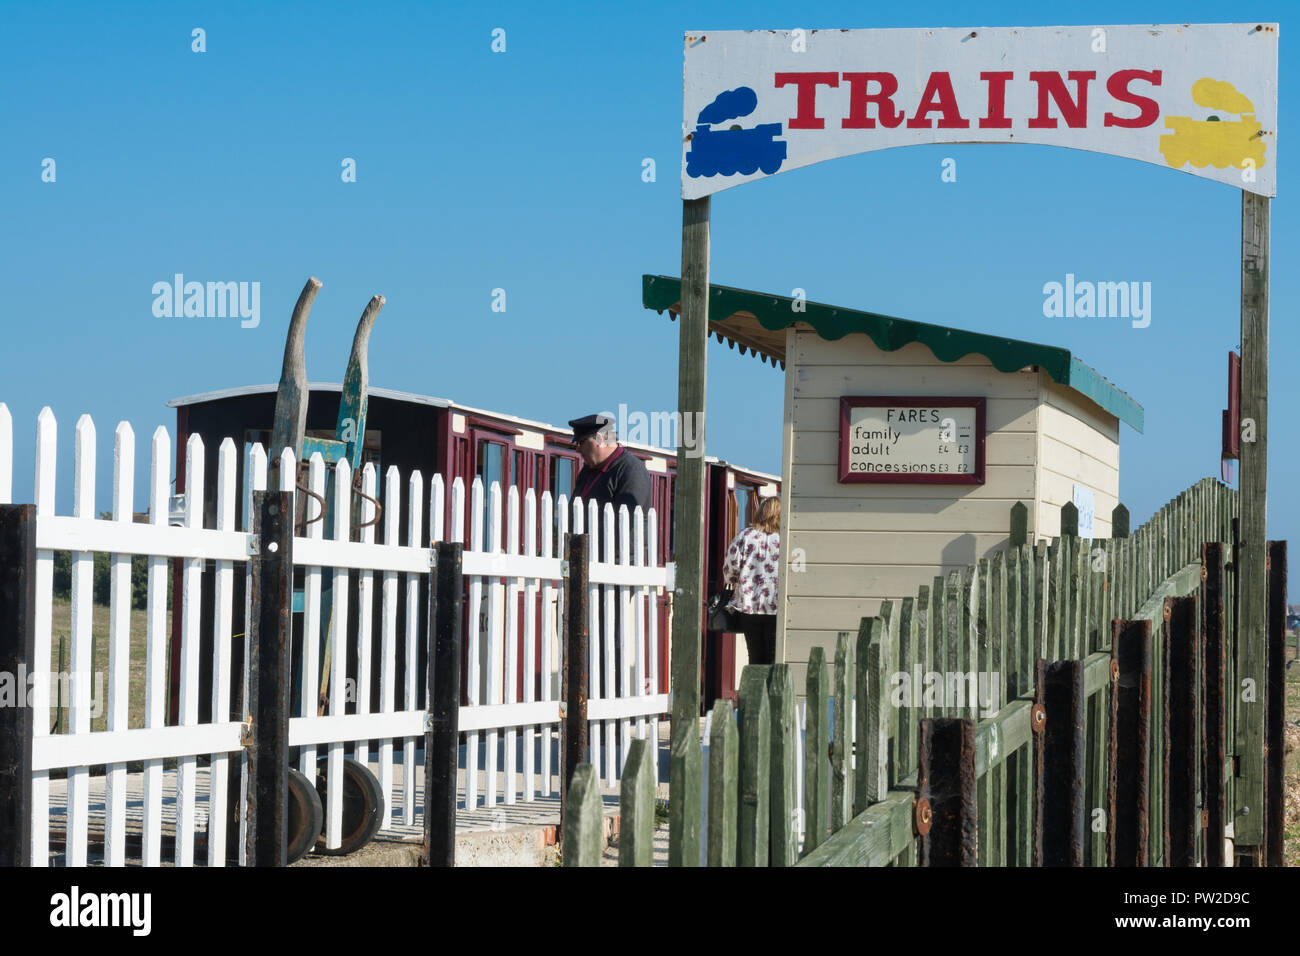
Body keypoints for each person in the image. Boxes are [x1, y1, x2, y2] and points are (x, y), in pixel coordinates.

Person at [722, 495, 780, 665]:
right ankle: (771, 691)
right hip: (777, 605)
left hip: (749, 605)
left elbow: (731, 566)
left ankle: (755, 689)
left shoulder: (746, 536)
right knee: (774, 657)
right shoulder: (786, 538)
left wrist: (733, 580)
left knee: (754, 656)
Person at [567, 413, 652, 515]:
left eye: (581, 442)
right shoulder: (587, 471)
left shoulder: (631, 471)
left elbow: (626, 522)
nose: (578, 449)